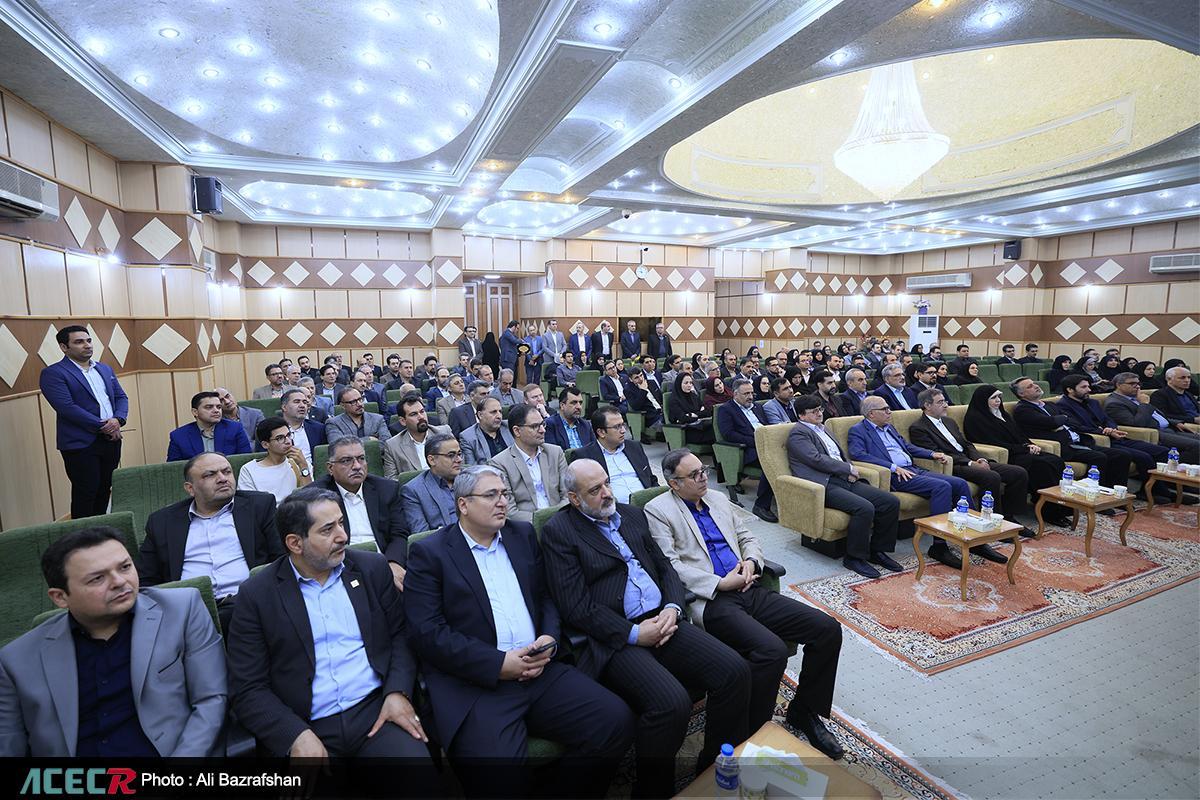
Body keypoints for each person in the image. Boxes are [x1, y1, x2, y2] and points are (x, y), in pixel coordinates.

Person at [405, 465, 634, 796]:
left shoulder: (521, 535)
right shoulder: (431, 553)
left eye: (504, 494)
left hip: (540, 669)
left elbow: (545, 596)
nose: (502, 502)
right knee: (501, 780)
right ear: (463, 504)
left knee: (615, 722)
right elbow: (427, 633)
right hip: (478, 685)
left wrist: (549, 637)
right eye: (491, 495)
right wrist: (498, 664)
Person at [540, 460, 750, 798]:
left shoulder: (631, 515)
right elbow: (575, 606)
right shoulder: (559, 532)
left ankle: (713, 767)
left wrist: (672, 607)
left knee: (734, 671)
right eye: (595, 490)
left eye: (607, 483)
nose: (607, 493)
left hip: (663, 618)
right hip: (616, 637)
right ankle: (652, 791)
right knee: (672, 703)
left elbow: (665, 568)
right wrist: (635, 634)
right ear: (574, 498)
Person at [225, 488, 436, 788]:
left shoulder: (371, 568)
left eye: (341, 523)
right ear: (295, 543)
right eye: (327, 530)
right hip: (306, 724)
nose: (343, 536)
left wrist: (397, 692)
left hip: (377, 712)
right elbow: (247, 687)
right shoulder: (257, 595)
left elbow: (401, 636)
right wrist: (294, 734)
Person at [645, 449, 844, 757]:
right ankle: (754, 734)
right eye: (694, 475)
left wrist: (751, 562)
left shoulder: (717, 498)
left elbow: (747, 537)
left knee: (827, 628)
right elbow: (668, 565)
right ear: (674, 483)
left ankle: (804, 710)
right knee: (772, 650)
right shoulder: (658, 510)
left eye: (703, 470)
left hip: (749, 587)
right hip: (712, 599)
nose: (704, 477)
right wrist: (719, 583)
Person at [0, 527, 226, 756]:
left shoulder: (181, 610)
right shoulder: (15, 661)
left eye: (125, 567)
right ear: (60, 597)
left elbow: (211, 700)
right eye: (97, 578)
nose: (119, 581)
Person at [849, 396, 996, 569]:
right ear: (871, 414)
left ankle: (974, 539)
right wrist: (893, 467)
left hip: (913, 468)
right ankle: (939, 546)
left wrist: (931, 454)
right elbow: (858, 454)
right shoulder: (858, 430)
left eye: (889, 408)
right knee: (941, 487)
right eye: (885, 409)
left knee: (959, 484)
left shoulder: (889, 427)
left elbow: (907, 447)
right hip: (897, 475)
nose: (889, 411)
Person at [140, 453, 281, 631]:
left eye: (227, 471)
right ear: (190, 488)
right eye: (210, 475)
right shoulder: (162, 522)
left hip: (248, 604)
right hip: (189, 613)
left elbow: (281, 559)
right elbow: (146, 580)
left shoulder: (259, 506)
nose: (222, 478)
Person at [788, 395, 902, 578]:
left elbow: (838, 455)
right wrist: (847, 468)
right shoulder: (799, 433)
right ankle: (854, 558)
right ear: (801, 415)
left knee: (889, 501)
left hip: (842, 478)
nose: (819, 413)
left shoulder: (823, 428)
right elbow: (815, 459)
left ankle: (877, 551)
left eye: (820, 409)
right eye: (814, 411)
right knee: (864, 508)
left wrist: (848, 468)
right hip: (822, 483)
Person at [909, 389, 1033, 533]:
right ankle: (991, 523)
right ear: (927, 405)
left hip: (970, 459)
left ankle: (1009, 517)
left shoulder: (949, 421)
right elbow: (937, 453)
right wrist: (970, 463)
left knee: (1018, 472)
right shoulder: (918, 428)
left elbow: (967, 444)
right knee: (991, 476)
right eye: (940, 402)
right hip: (953, 465)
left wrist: (979, 458)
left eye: (945, 401)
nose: (946, 405)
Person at [40, 325, 128, 520]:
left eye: (88, 340)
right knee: (86, 493)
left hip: (111, 439)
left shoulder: (104, 368)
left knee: (105, 489)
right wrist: (105, 425)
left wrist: (118, 420)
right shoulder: (54, 373)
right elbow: (67, 408)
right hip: (80, 443)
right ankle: (82, 535)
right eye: (79, 342)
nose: (87, 345)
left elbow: (121, 397)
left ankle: (100, 531)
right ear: (64, 347)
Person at [961, 385, 1071, 524]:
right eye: (993, 398)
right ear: (983, 400)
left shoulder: (1003, 414)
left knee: (1056, 460)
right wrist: (1024, 448)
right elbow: (992, 442)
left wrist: (1030, 444)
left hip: (1020, 451)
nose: (998, 401)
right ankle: (1048, 511)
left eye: (999, 397)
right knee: (1042, 465)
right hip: (1008, 455)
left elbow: (1019, 434)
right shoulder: (975, 418)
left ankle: (1060, 507)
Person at [313, 437, 409, 589]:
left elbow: (399, 533)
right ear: (330, 468)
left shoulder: (387, 489)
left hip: (383, 563)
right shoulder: (316, 497)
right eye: (346, 461)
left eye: (361, 459)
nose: (357, 466)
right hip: (340, 567)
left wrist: (394, 563)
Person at [1056, 376, 1175, 496]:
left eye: (1088, 386)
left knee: (1161, 451)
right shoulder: (1063, 406)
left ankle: (1161, 488)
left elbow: (1108, 419)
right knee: (1142, 457)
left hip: (1114, 436)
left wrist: (1111, 428)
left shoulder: (1093, 402)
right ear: (1070, 390)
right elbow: (1076, 427)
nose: (1089, 390)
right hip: (1099, 440)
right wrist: (1104, 431)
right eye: (1084, 387)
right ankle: (1151, 492)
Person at [1010, 377, 1133, 490]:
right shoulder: (1023, 409)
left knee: (1121, 455)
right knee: (1099, 457)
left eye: (1034, 383)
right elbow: (1052, 422)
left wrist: (1060, 420)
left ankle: (1114, 492)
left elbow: (1072, 422)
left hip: (1079, 441)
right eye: (1030, 386)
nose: (1036, 386)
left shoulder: (1049, 405)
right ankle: (1092, 494)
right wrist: (1061, 419)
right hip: (1064, 447)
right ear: (1021, 394)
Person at [487, 403, 569, 522]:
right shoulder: (500, 463)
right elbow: (509, 511)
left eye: (542, 424)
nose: (542, 430)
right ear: (517, 431)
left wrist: (557, 519)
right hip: (527, 526)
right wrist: (541, 522)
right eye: (535, 426)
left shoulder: (555, 453)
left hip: (561, 520)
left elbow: (568, 494)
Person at [714, 379, 778, 522]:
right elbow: (729, 434)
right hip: (748, 450)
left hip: (769, 444)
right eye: (746, 394)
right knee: (772, 463)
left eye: (751, 393)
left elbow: (767, 426)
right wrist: (757, 441)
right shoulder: (726, 409)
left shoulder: (757, 407)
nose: (750, 397)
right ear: (735, 394)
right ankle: (761, 505)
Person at [575, 406, 658, 503]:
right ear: (601, 432)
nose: (623, 430)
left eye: (623, 425)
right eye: (617, 427)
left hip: (649, 504)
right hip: (614, 508)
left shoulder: (634, 447)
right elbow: (587, 494)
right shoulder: (585, 457)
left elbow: (651, 479)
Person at [238, 416, 314, 504]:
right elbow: (249, 505)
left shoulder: (300, 462)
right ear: (265, 444)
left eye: (288, 435)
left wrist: (303, 467)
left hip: (298, 510)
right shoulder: (249, 470)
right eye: (280, 438)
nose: (288, 441)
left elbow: (311, 498)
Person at [400, 431, 462, 533]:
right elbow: (421, 534)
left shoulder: (471, 478)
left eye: (459, 454)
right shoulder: (413, 491)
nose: (459, 459)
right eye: (451, 455)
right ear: (432, 460)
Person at [166, 391, 252, 461]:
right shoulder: (179, 436)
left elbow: (245, 459)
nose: (216, 410)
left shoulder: (235, 428)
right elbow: (173, 469)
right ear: (195, 412)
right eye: (209, 407)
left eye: (219, 407)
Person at [383, 393, 454, 478]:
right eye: (414, 414)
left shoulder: (444, 433)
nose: (421, 417)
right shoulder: (393, 446)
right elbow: (391, 479)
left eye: (422, 411)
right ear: (403, 421)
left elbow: (459, 465)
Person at [461, 396, 514, 465]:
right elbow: (471, 468)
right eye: (493, 412)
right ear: (480, 415)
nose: (499, 416)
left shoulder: (510, 427)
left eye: (500, 412)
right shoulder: (468, 437)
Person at [668, 372, 715, 444]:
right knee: (715, 434)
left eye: (690, 383)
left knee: (717, 429)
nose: (689, 385)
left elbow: (707, 412)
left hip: (699, 426)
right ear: (679, 384)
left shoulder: (693, 395)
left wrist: (693, 414)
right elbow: (683, 418)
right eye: (686, 383)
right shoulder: (673, 399)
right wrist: (700, 414)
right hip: (686, 431)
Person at [626, 369, 664, 434]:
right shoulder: (628, 390)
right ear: (631, 379)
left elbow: (661, 398)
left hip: (662, 413)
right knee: (668, 428)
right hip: (651, 417)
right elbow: (636, 406)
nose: (640, 379)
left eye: (641, 375)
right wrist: (643, 390)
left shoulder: (651, 382)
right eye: (636, 378)